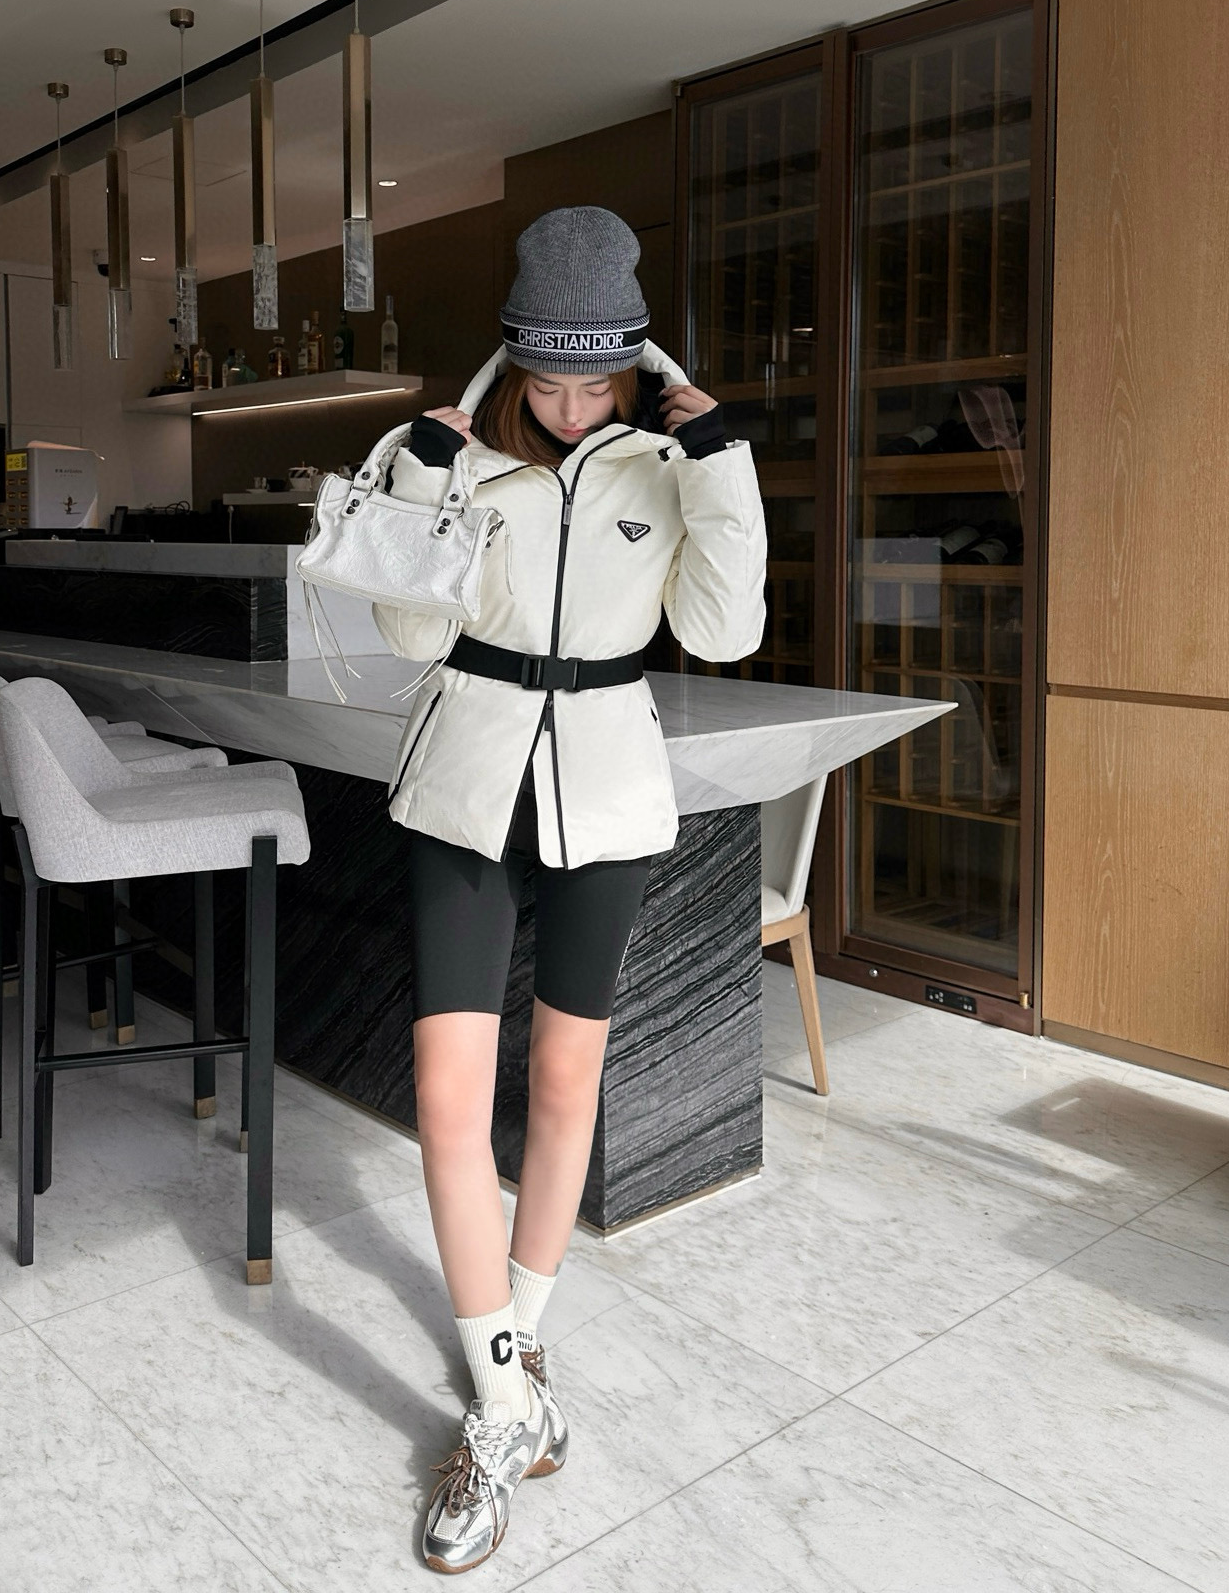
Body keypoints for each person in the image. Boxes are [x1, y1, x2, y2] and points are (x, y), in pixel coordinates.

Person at [373, 205, 766, 1573]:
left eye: (596, 383)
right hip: (464, 785)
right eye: (548, 381)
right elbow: (409, 633)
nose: (571, 406)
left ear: (636, 367)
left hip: (605, 787)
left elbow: (723, 631)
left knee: (561, 1088)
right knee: (445, 1099)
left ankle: (519, 1342)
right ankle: (500, 1410)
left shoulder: (670, 465)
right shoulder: (460, 459)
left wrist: (722, 468)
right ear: (515, 361)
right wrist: (420, 482)